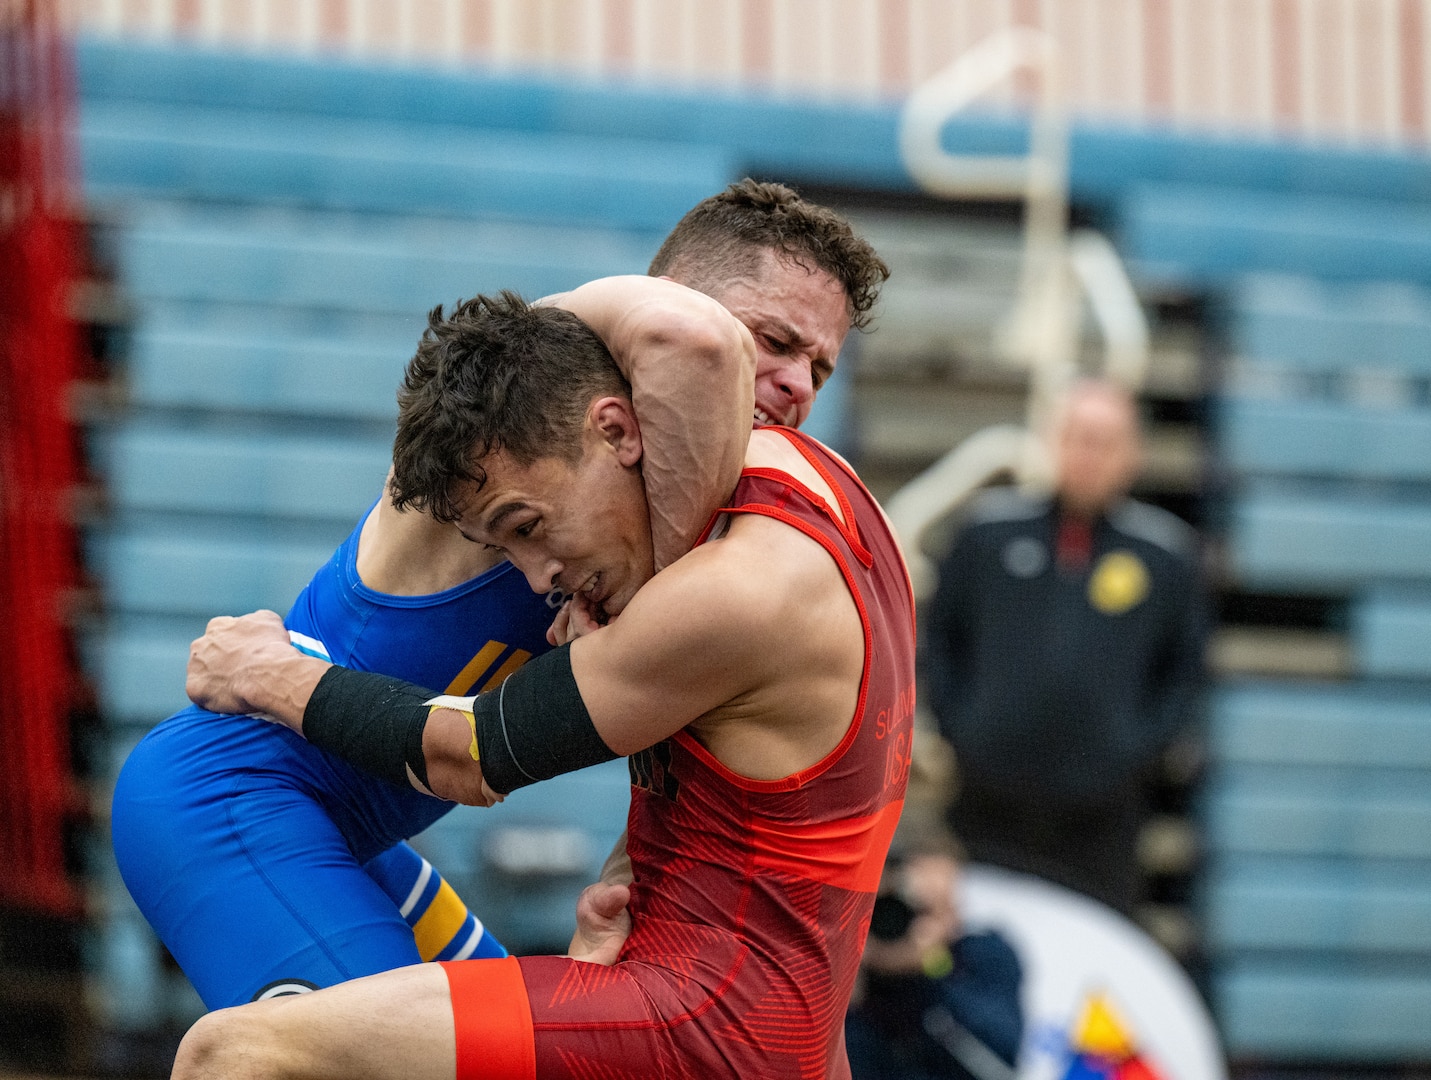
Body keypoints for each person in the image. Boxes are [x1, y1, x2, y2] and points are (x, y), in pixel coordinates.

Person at [110, 179, 887, 1007]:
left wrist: (622, 907)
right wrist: (661, 578)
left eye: (820, 367)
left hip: (359, 837)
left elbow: (675, 747)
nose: (799, 384)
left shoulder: (694, 526)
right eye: (774, 340)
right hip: (232, 797)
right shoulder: (530, 397)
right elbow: (693, 339)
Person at [924, 381, 1207, 914]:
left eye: (1106, 441)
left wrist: (1134, 753)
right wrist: (965, 730)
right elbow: (939, 641)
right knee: (981, 955)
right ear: (1053, 441)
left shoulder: (1166, 558)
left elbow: (1184, 676)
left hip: (1103, 817)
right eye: (1079, 437)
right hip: (987, 804)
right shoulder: (987, 536)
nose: (1089, 455)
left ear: (1132, 455)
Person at [846, 838, 1023, 1080]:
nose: (899, 921)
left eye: (925, 910)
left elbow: (997, 1062)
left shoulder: (981, 958)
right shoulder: (845, 962)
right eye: (887, 907)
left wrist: (931, 965)